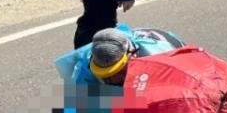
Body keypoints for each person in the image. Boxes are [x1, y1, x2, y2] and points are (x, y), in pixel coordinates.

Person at [53, 24, 186, 85]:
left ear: (132, 55)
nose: (114, 80)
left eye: (119, 72)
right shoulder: (88, 60)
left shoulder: (159, 57)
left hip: (175, 58)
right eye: (106, 76)